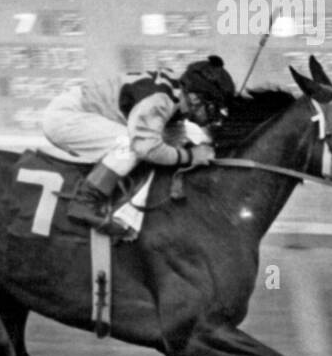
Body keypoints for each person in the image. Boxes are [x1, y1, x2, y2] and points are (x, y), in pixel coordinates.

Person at [40, 55, 237, 236]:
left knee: (157, 149)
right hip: (67, 117)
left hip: (84, 112)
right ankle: (84, 202)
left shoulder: (176, 97)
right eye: (213, 107)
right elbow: (146, 148)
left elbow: (176, 143)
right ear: (195, 98)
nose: (215, 116)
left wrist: (202, 150)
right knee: (132, 146)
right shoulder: (160, 100)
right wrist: (191, 156)